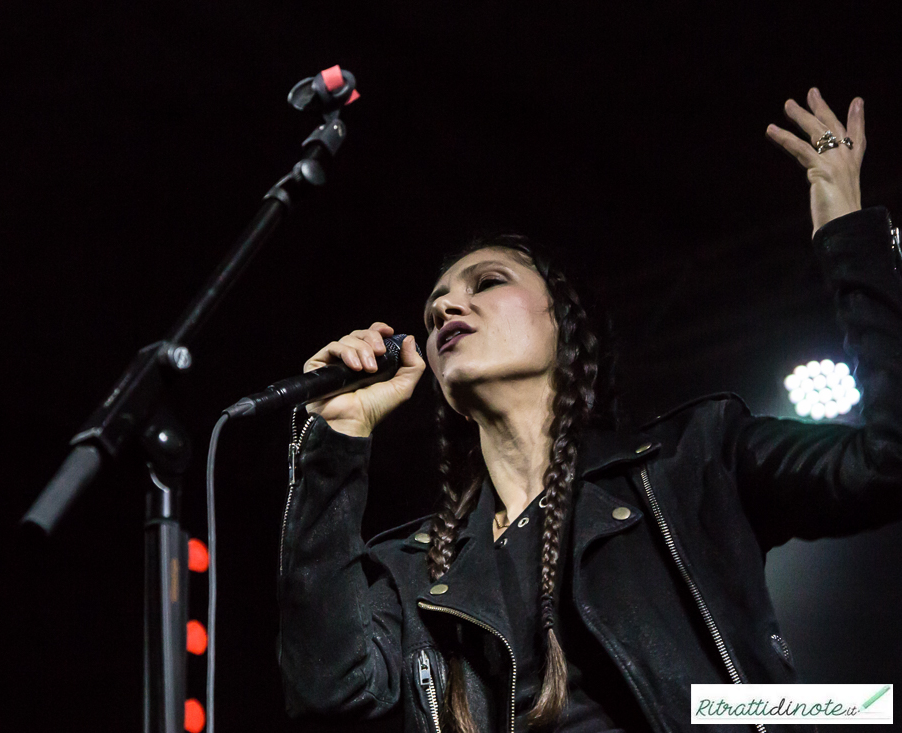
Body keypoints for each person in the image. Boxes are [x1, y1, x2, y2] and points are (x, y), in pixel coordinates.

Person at [276, 89, 902, 732]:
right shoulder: (412, 565)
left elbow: (886, 463)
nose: (444, 309)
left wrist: (848, 234)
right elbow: (331, 695)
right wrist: (336, 441)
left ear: (563, 325)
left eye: (487, 283)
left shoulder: (691, 461)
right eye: (435, 303)